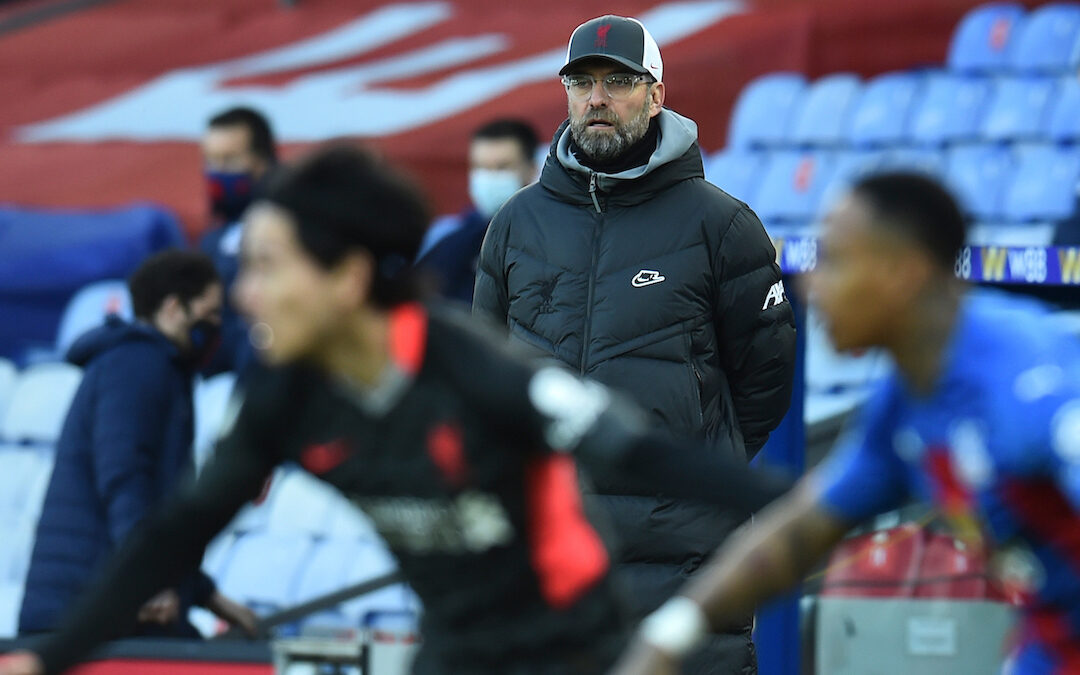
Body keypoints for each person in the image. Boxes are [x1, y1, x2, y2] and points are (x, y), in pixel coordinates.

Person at [0, 145, 794, 675]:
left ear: (346, 278)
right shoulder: (284, 395)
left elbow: (639, 453)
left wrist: (807, 504)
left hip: (572, 646)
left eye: (268, 268)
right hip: (451, 645)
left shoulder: (472, 367)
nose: (244, 293)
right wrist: (50, 658)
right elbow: (176, 528)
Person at [612, 172, 1080, 675]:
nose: (811, 287)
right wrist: (668, 635)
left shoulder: (1028, 385)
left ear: (903, 271)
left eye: (834, 260)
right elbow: (801, 531)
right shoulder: (908, 396)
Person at [472, 14, 797, 673]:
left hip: (685, 562)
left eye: (619, 81)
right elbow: (483, 373)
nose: (597, 99)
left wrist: (690, 468)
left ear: (656, 95)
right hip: (549, 552)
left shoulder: (722, 224)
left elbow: (765, 378)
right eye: (582, 82)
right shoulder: (515, 223)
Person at [17, 250, 255, 640]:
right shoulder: (137, 365)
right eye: (210, 314)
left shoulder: (151, 367)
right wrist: (146, 581)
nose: (216, 327)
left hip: (101, 601)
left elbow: (159, 516)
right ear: (174, 307)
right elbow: (126, 480)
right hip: (89, 610)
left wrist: (211, 598)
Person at [415, 118, 539, 305]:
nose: (489, 177)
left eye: (502, 167)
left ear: (531, 170)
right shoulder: (446, 237)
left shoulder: (553, 236)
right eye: (480, 167)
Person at [199, 106, 278, 374]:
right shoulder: (211, 243)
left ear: (263, 162)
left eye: (229, 159)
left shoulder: (295, 229)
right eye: (211, 160)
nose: (217, 172)